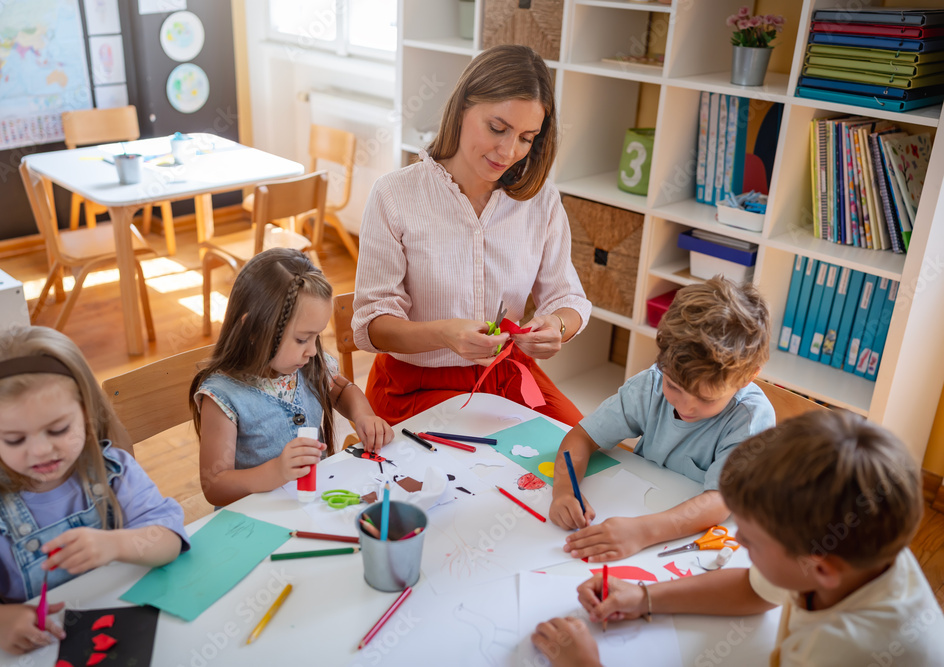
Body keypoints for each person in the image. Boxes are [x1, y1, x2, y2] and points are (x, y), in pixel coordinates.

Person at [538, 410, 944, 666]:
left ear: (820, 568)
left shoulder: (842, 651)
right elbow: (756, 589)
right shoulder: (854, 553)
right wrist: (645, 597)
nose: (738, 547)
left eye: (748, 541)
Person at [351, 44, 592, 426]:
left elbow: (568, 298)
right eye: (497, 128)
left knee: (583, 458)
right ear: (462, 108)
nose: (509, 151)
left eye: (527, 138)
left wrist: (556, 326)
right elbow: (372, 326)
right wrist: (445, 334)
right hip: (415, 386)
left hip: (507, 376)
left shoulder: (541, 199)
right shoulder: (394, 195)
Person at [0, 324, 188, 655]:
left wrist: (116, 544)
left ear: (87, 413)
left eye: (58, 429)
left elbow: (169, 539)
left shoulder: (114, 470)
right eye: (14, 439)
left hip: (129, 636)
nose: (41, 451)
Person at [550, 277, 774, 561]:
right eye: (675, 388)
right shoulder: (651, 385)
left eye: (706, 399)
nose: (686, 407)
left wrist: (642, 532)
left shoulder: (750, 420)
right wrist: (564, 491)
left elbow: (719, 501)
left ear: (748, 377)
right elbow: (582, 437)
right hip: (643, 508)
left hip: (692, 542)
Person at [191, 248, 393, 507]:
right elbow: (215, 487)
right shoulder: (221, 397)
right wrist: (276, 472)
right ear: (253, 329)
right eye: (301, 339)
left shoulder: (307, 363)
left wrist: (363, 415)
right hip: (258, 521)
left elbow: (341, 391)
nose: (312, 350)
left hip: (314, 502)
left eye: (316, 337)